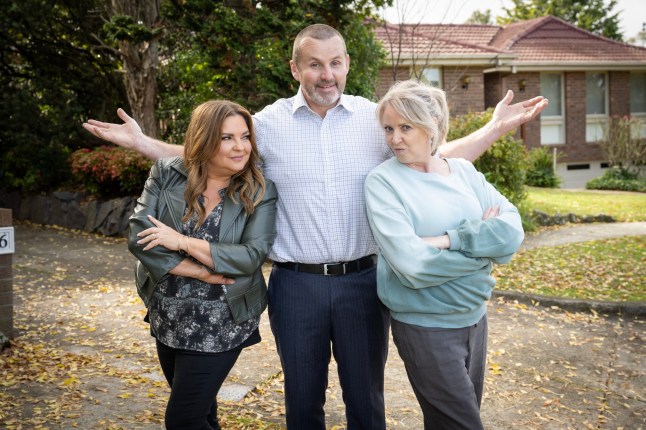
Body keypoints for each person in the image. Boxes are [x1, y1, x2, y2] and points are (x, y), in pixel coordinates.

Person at [84, 24, 546, 430]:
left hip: (363, 283)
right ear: (295, 68)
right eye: (314, 64)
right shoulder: (266, 125)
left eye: (336, 63)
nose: (327, 74)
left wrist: (493, 129)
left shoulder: (375, 120)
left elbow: (434, 154)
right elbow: (211, 151)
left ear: (347, 65)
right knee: (302, 403)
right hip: (295, 286)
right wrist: (143, 143)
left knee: (366, 402)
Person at [364, 80, 525, 429]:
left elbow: (512, 232)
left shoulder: (463, 172)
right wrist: (483, 252)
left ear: (432, 125)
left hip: (475, 320)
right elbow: (412, 264)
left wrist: (448, 240)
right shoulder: (383, 182)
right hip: (426, 328)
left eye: (406, 127)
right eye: (389, 128)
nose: (395, 139)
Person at [127, 100, 277, 430]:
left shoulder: (259, 190)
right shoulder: (166, 173)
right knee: (202, 413)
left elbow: (251, 257)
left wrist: (180, 242)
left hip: (221, 320)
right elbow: (139, 236)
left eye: (245, 136)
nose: (240, 147)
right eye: (227, 138)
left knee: (183, 419)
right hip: (168, 315)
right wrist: (199, 270)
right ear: (203, 139)